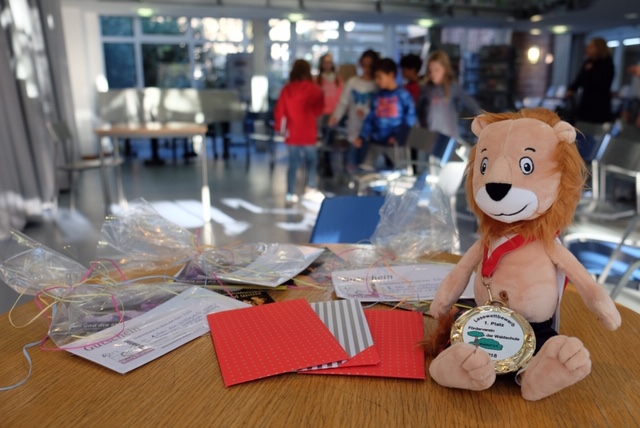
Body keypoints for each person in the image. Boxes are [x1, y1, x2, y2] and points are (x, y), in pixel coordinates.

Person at [274, 59, 325, 204]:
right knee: (312, 162)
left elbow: (280, 111)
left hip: (292, 132)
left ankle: (290, 192)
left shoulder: (287, 89)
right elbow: (319, 109)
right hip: (309, 132)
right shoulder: (314, 89)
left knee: (293, 164)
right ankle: (311, 188)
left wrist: (280, 129)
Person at [418, 50, 481, 160]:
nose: (433, 73)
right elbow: (418, 112)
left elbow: (472, 105)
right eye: (430, 70)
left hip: (449, 137)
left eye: (436, 70)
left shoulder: (452, 87)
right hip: (431, 138)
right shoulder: (426, 89)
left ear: (445, 69)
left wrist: (483, 118)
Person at [356, 58, 417, 170]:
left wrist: (399, 136)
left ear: (391, 75)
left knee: (400, 177)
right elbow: (370, 118)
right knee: (368, 174)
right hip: (376, 143)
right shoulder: (377, 97)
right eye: (376, 77)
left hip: (397, 146)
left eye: (380, 77)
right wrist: (362, 136)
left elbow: (410, 120)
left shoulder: (404, 96)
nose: (377, 81)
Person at [329, 49, 380, 171]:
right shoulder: (353, 82)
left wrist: (366, 112)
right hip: (353, 130)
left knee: (367, 167)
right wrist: (336, 116)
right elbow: (343, 102)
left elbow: (378, 109)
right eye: (364, 64)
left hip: (370, 133)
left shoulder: (377, 84)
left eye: (370, 65)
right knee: (352, 166)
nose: (366, 68)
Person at [566, 37, 615, 124]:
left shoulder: (607, 64)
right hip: (586, 102)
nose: (588, 49)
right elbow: (580, 78)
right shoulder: (588, 62)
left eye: (591, 47)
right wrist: (572, 88)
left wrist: (589, 72)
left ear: (598, 49)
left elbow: (601, 84)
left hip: (599, 104)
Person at [316, 52, 343, 177]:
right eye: (325, 62)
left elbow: (342, 97)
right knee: (324, 141)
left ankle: (327, 164)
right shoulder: (318, 79)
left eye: (330, 62)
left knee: (331, 141)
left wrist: (337, 114)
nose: (328, 64)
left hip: (335, 114)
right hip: (322, 114)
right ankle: (324, 164)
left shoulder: (338, 79)